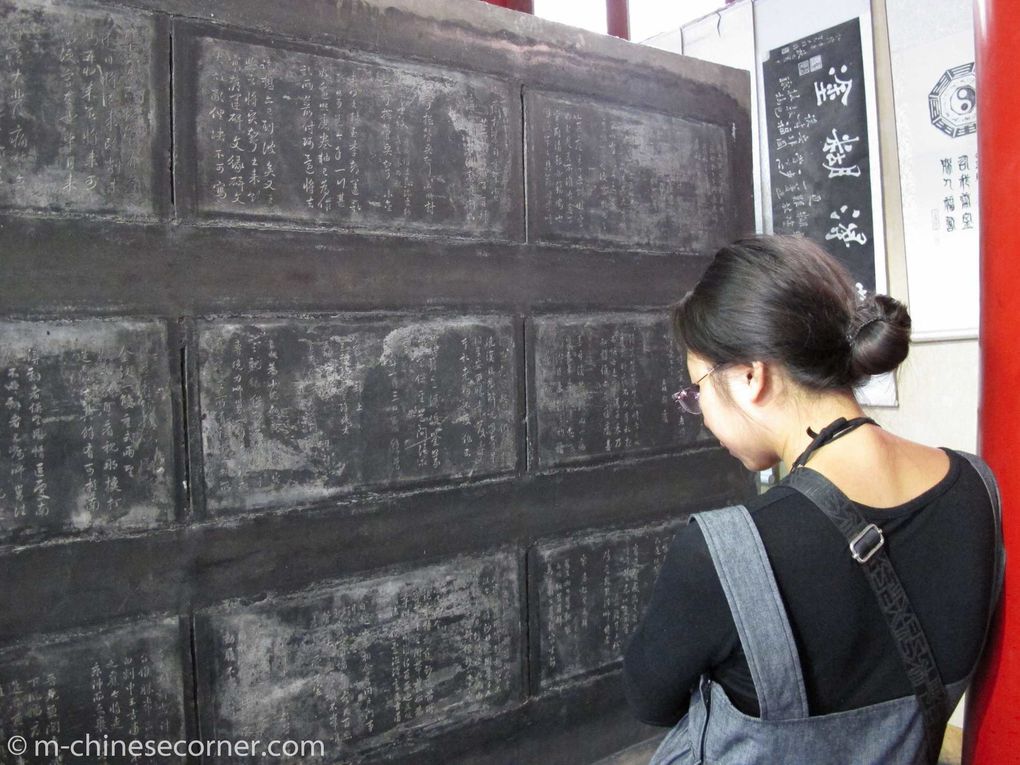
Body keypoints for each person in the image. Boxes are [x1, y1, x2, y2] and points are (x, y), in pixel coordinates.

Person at [623, 235, 1003, 765]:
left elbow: (651, 698)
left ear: (751, 375)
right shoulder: (979, 487)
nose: (703, 412)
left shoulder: (725, 551)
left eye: (698, 388)